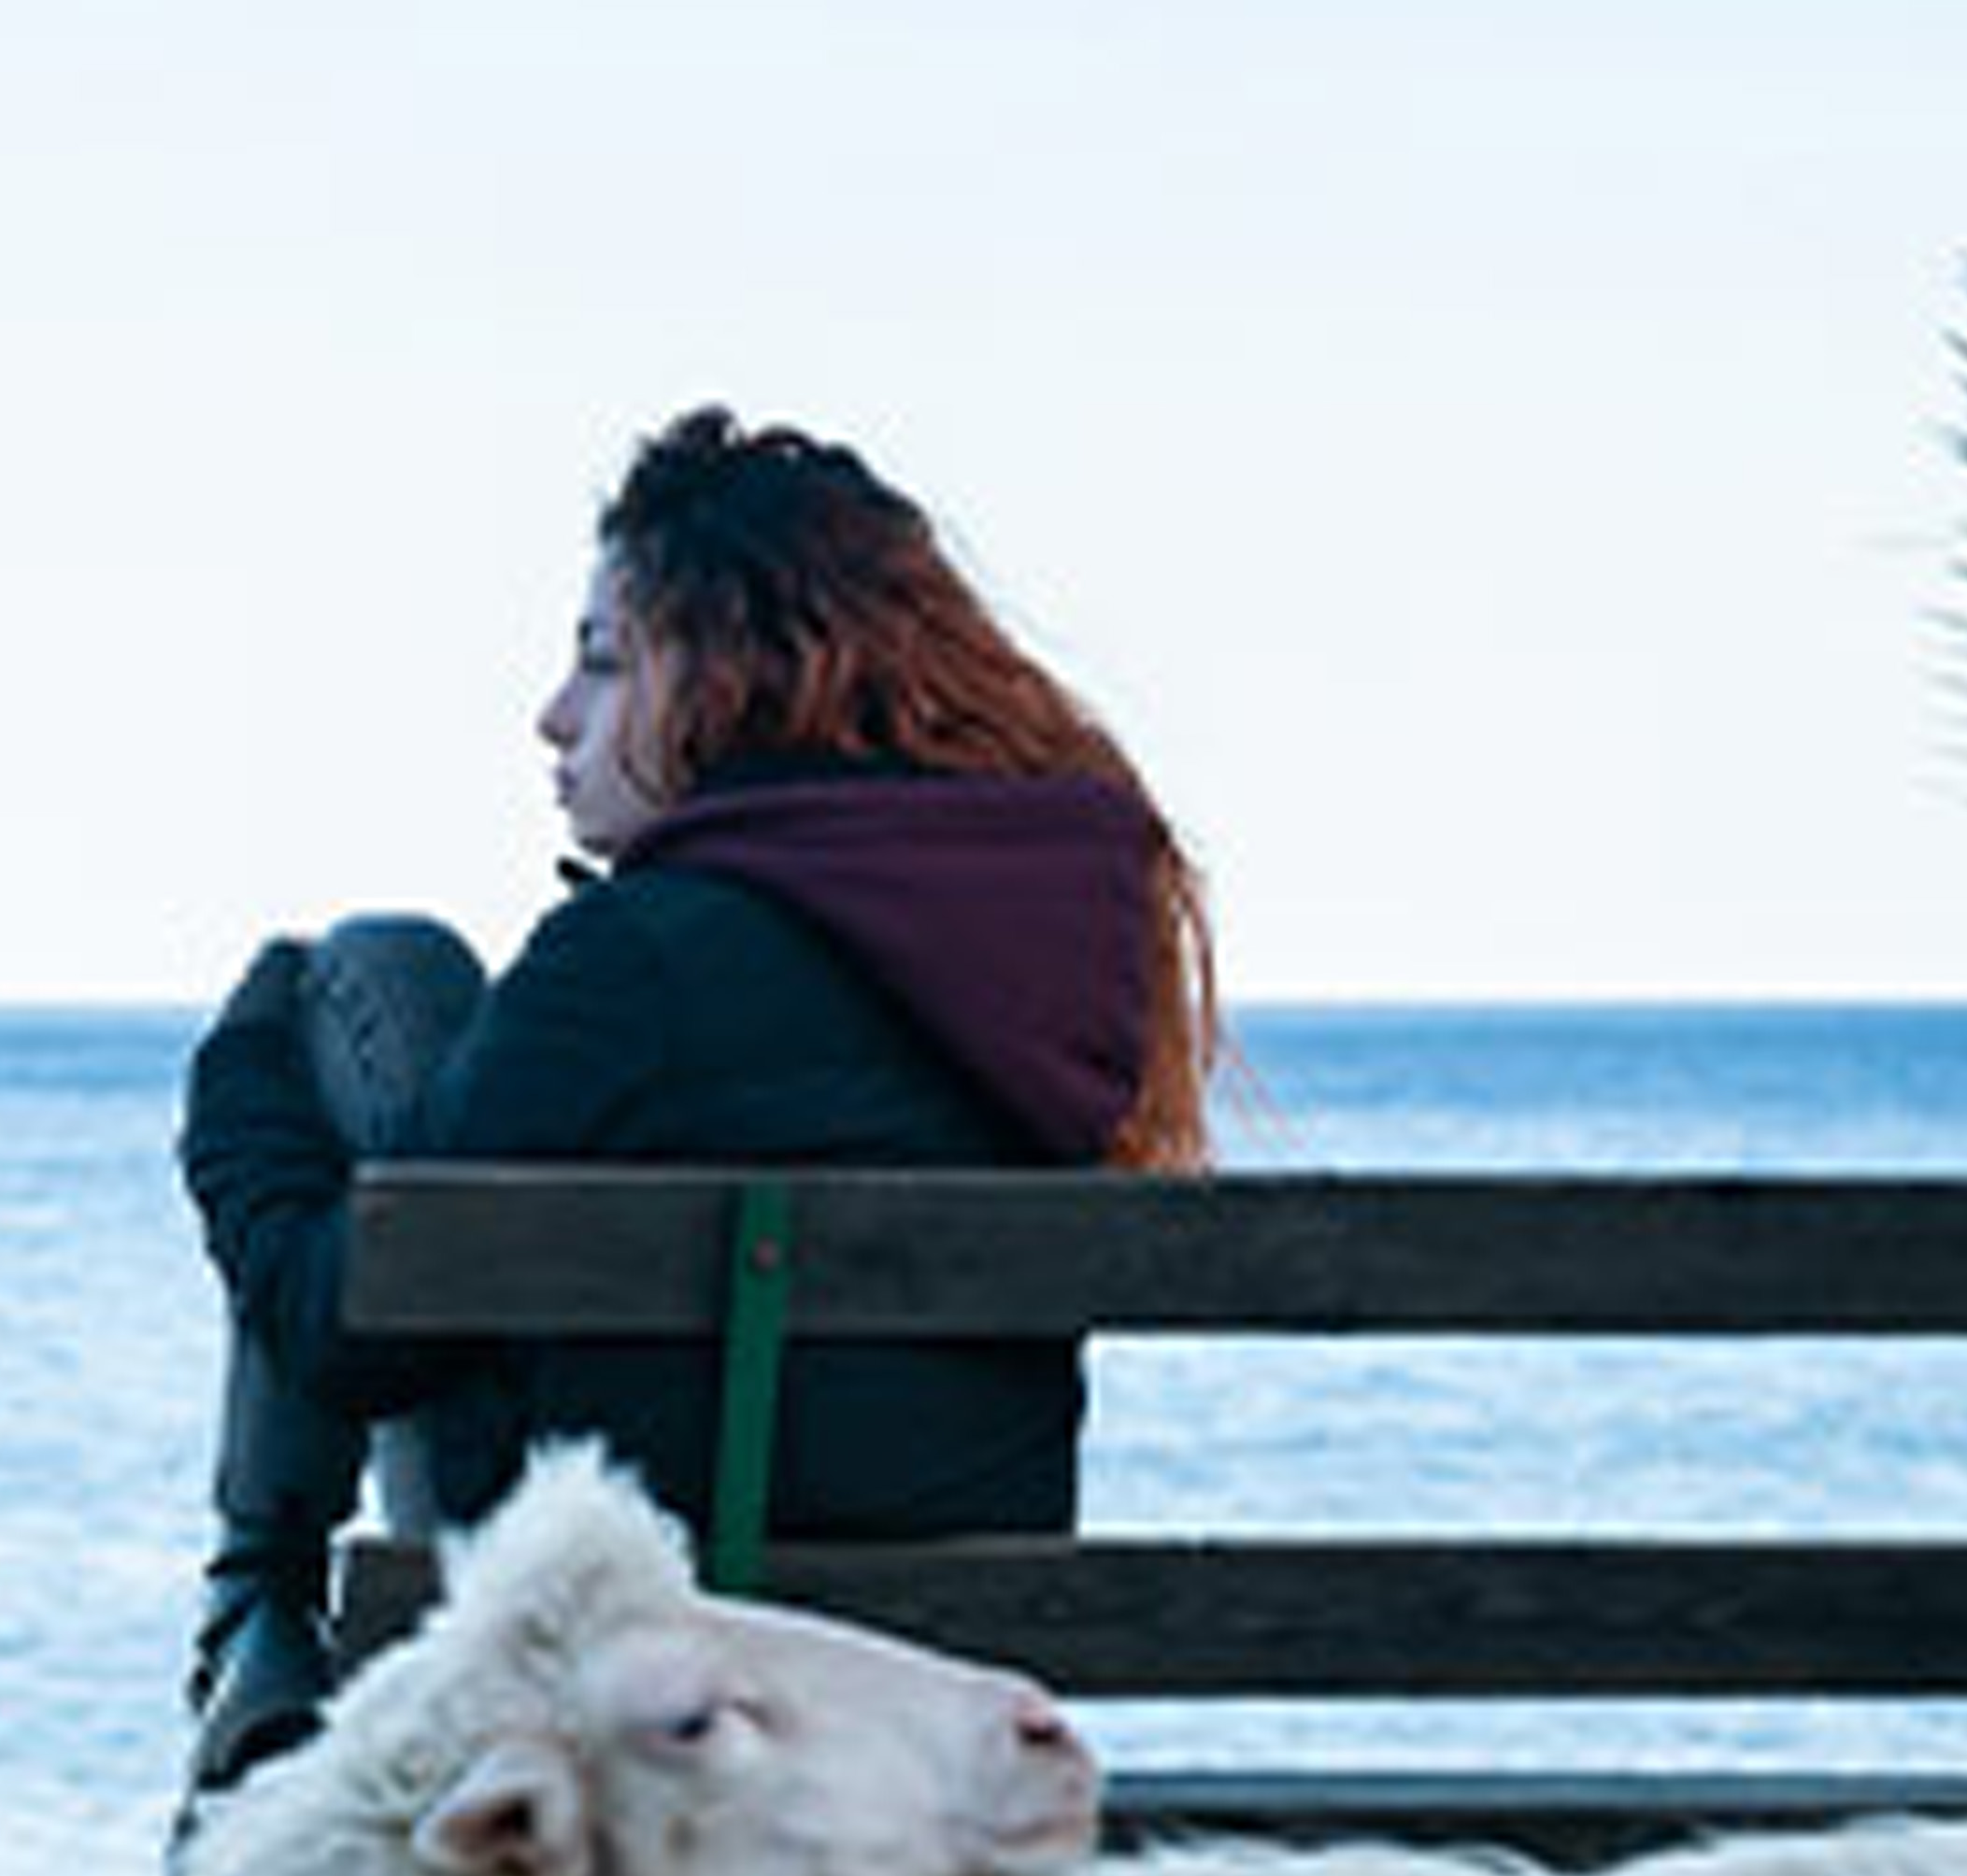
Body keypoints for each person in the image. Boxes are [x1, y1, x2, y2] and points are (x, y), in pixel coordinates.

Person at [167, 404, 1226, 1799]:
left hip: (641, 1692)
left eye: (604, 661)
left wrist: (238, 1082)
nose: (555, 715)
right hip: (932, 1714)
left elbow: (336, 1329)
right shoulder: (1053, 956)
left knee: (378, 970)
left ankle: (254, 1609)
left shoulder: (638, 962)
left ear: (732, 678)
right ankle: (255, 1619)